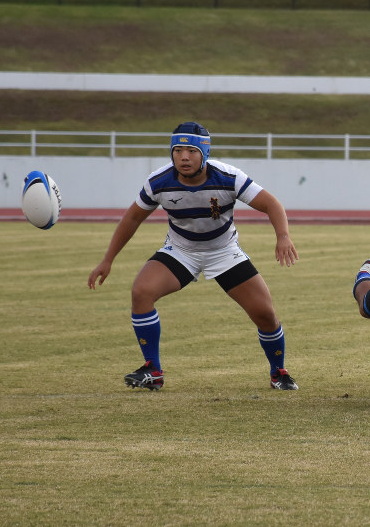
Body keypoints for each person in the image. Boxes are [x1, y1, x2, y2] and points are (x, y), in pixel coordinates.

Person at [88, 122, 299, 391]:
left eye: (191, 151)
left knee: (265, 315)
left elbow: (271, 204)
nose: (183, 157)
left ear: (204, 154)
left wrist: (283, 236)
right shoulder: (159, 182)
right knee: (141, 292)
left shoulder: (227, 177)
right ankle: (153, 370)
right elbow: (132, 218)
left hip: (224, 251)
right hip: (181, 251)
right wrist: (108, 259)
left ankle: (278, 372)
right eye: (177, 150)